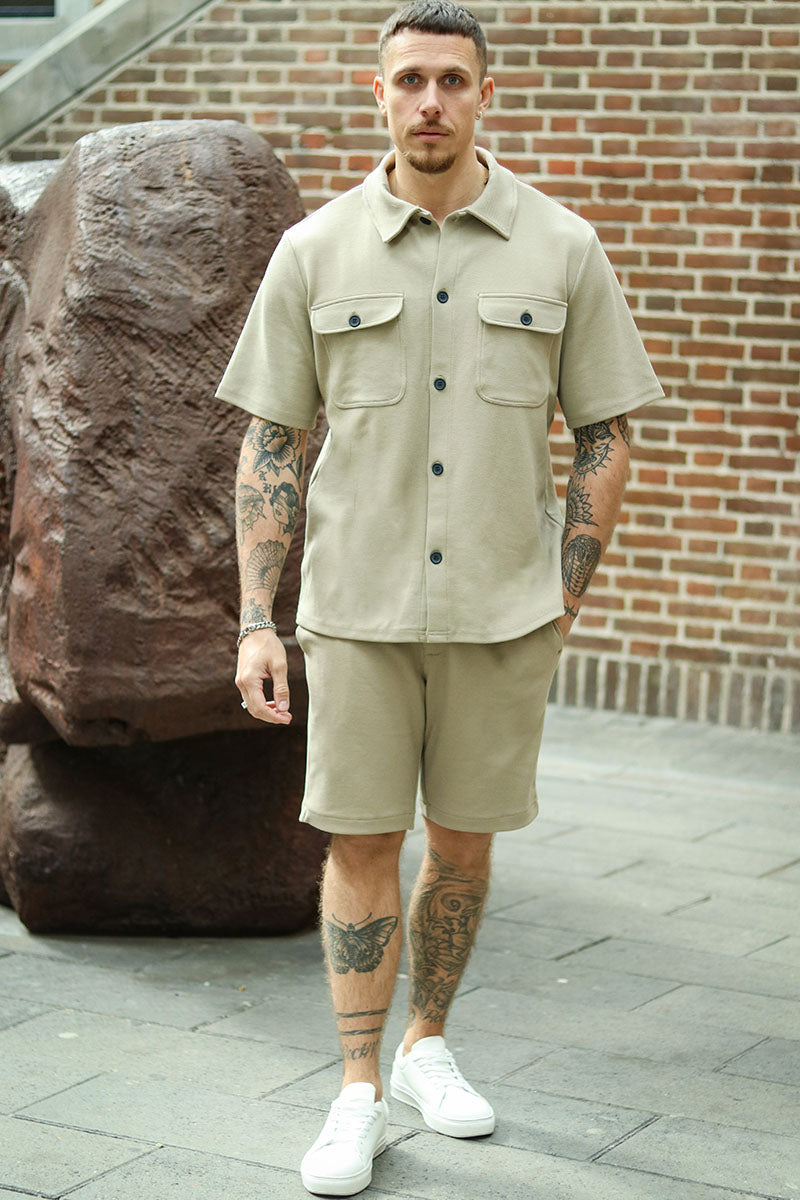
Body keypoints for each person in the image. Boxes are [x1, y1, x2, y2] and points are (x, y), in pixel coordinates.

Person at [216, 2, 664, 1194]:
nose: (429, 101)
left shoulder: (561, 247)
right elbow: (271, 441)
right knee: (361, 841)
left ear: (482, 94)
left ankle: (426, 1046)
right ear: (377, 93)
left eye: (451, 80)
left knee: (461, 846)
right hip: (353, 614)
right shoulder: (313, 250)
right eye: (408, 79)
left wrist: (561, 593)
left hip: (500, 617)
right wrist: (257, 620)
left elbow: (607, 431)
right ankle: (356, 1089)